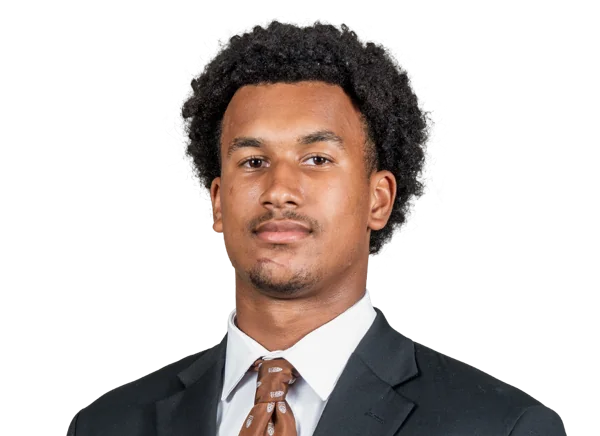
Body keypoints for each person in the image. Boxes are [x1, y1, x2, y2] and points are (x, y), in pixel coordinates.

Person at [67, 18, 566, 436]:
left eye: (317, 159)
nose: (279, 190)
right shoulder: (106, 426)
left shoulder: (501, 427)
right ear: (217, 203)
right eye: (253, 161)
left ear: (378, 199)